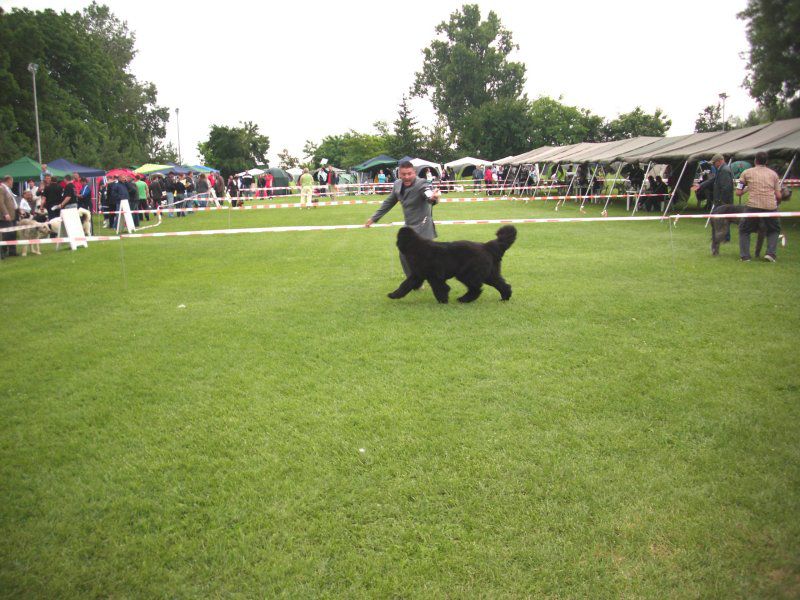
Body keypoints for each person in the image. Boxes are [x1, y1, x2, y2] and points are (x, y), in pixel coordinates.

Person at [364, 160, 441, 278]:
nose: (407, 177)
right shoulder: (397, 185)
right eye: (403, 174)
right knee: (403, 254)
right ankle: (413, 279)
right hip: (409, 227)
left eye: (409, 173)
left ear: (414, 173)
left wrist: (434, 197)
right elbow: (388, 202)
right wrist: (374, 218)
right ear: (399, 174)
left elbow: (429, 196)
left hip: (423, 226)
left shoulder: (422, 184)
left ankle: (436, 278)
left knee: (428, 257)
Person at [736, 151, 783, 262]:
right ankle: (770, 254)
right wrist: (777, 203)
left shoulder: (746, 173)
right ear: (766, 161)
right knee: (774, 229)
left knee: (744, 229)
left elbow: (738, 192)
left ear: (755, 160)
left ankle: (745, 256)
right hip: (770, 206)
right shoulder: (773, 174)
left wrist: (748, 188)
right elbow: (778, 195)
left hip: (753, 205)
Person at [0, 175, 17, 258]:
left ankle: (12, 251)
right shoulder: (1, 188)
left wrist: (18, 209)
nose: (12, 183)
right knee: (7, 234)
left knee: (12, 233)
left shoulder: (8, 189)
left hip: (12, 215)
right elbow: (1, 202)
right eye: (12, 181)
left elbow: (11, 201)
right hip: (4, 216)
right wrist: (6, 213)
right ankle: (2, 251)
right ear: (9, 180)